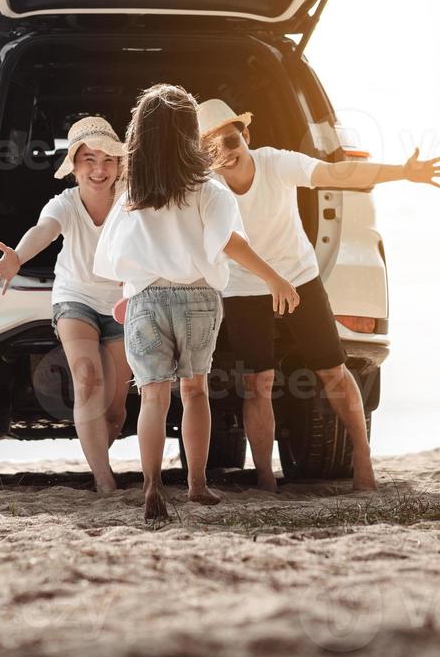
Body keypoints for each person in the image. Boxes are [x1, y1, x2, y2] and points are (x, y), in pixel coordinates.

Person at [196, 98, 440, 492]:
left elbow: (339, 171)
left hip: (298, 274)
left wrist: (404, 171)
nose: (225, 155)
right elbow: (223, 240)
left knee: (333, 370)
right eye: (212, 150)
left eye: (230, 142)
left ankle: (364, 462)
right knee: (258, 382)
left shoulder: (275, 163)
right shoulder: (208, 187)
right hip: (245, 284)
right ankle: (265, 477)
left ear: (245, 135)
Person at [93, 84, 300, 522]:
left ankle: (151, 486)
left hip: (146, 299)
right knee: (194, 392)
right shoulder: (207, 186)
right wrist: (274, 276)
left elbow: (117, 254)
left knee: (152, 397)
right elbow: (229, 242)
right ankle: (197, 485)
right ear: (192, 134)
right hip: (198, 301)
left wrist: (129, 295)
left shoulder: (132, 192)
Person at [0, 116, 132, 494]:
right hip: (75, 297)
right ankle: (104, 480)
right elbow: (43, 232)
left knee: (116, 409)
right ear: (75, 167)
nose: (99, 169)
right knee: (88, 382)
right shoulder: (64, 203)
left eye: (108, 160)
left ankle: (97, 451)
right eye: (89, 160)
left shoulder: (131, 200)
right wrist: (16, 256)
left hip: (122, 303)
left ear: (118, 164)